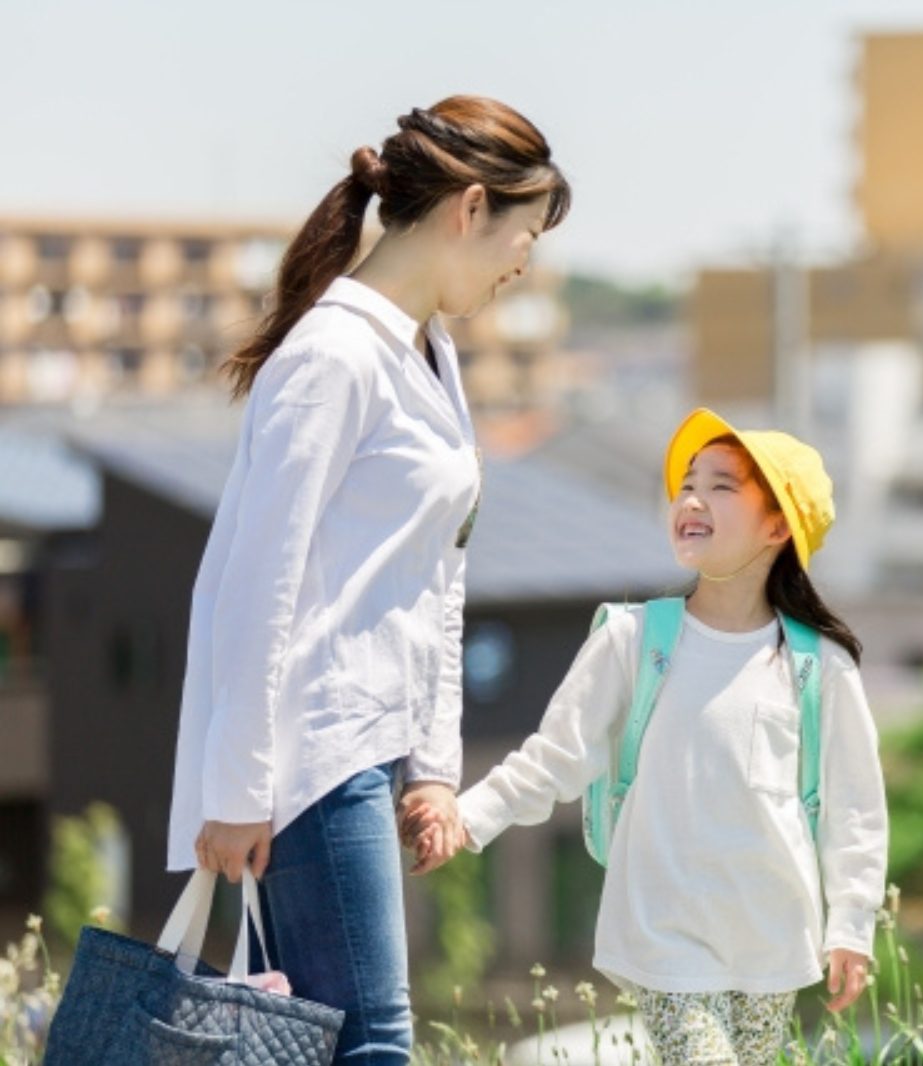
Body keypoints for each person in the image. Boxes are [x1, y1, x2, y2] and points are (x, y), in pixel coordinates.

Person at [166, 95, 570, 1064]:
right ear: (469, 208)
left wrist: (432, 764)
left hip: (368, 743)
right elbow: (256, 578)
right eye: (523, 238)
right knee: (370, 1041)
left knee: (331, 1039)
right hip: (311, 748)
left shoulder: (427, 352)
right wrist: (238, 785)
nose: (521, 267)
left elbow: (436, 577)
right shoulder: (333, 355)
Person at [406, 408, 889, 1066]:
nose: (692, 499)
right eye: (687, 484)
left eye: (721, 486)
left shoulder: (818, 666)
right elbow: (557, 756)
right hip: (663, 935)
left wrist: (852, 925)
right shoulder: (633, 640)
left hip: (771, 938)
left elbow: (855, 808)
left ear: (778, 526)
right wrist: (467, 816)